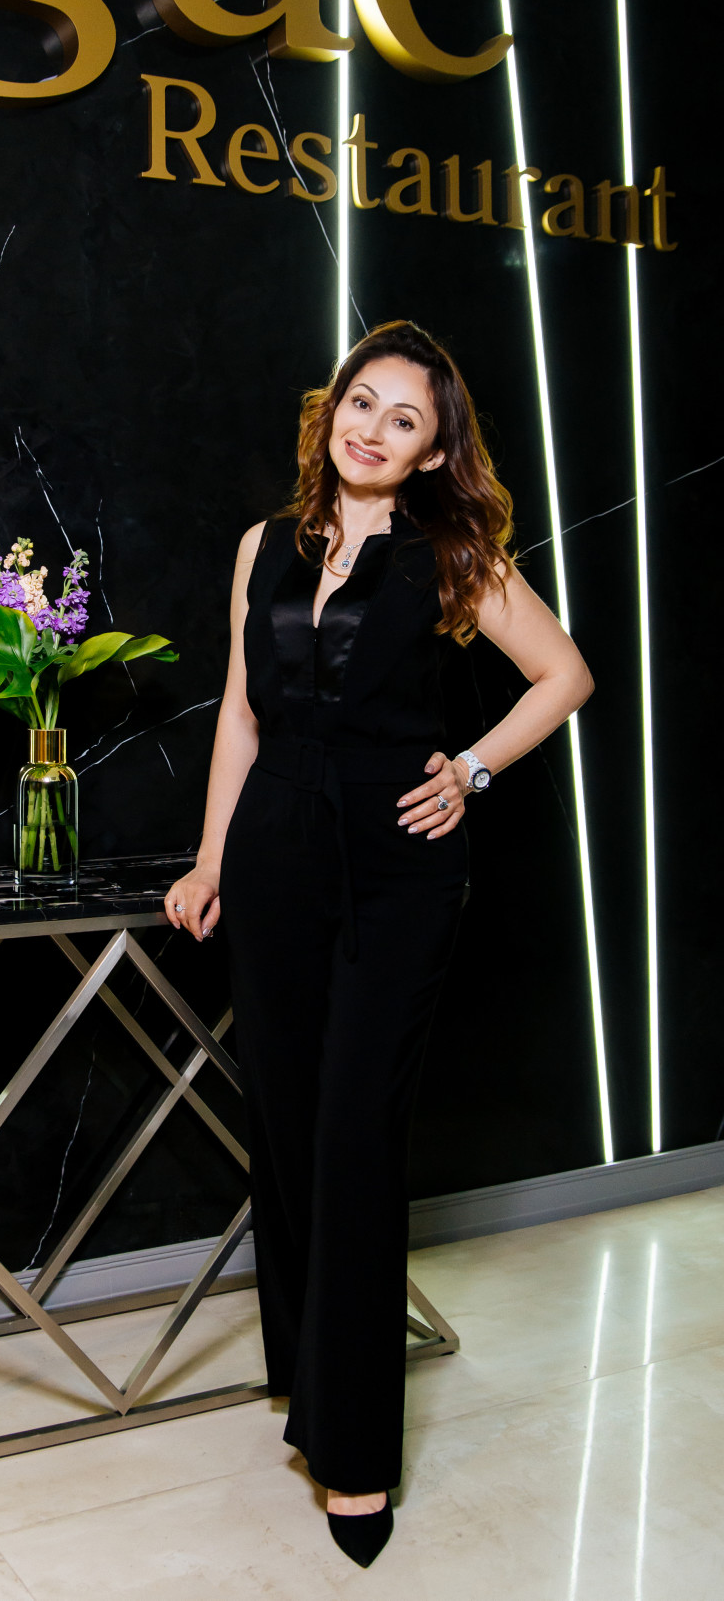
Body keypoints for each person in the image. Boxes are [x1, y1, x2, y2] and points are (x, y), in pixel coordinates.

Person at [162, 320, 594, 1569]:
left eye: (405, 419)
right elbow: (242, 713)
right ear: (333, 409)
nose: (374, 428)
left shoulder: (457, 555)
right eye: (363, 401)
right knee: (289, 1124)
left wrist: (470, 769)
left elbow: (564, 676)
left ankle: (354, 1456)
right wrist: (210, 858)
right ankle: (308, 1373)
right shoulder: (265, 544)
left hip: (399, 869)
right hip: (274, 852)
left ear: (432, 452)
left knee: (355, 1137)